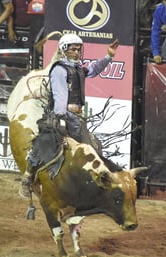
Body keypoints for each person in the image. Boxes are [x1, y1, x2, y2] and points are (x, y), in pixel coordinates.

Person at [19, 34, 119, 198]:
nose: (77, 51)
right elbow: (60, 94)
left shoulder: (78, 68)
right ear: (64, 50)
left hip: (76, 118)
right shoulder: (59, 69)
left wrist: (108, 56)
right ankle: (27, 178)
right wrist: (61, 117)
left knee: (92, 149)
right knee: (44, 144)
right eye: (73, 49)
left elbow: (93, 70)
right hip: (60, 115)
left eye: (78, 48)